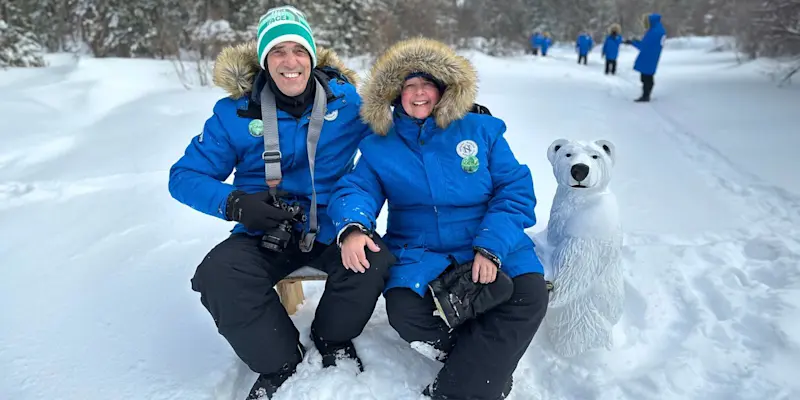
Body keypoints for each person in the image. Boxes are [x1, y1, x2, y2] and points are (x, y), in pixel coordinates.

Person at [168, 5, 394, 399]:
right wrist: (237, 203)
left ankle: (331, 336)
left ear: (311, 56)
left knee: (373, 261)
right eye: (277, 52)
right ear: (264, 61)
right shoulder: (234, 113)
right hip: (262, 227)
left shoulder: (348, 105)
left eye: (298, 51)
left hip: (328, 224)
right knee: (218, 275)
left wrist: (458, 117)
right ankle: (280, 359)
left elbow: (403, 130)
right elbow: (184, 177)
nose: (290, 61)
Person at [328, 37, 550, 400]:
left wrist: (491, 248)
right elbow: (357, 190)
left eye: (427, 84)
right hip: (420, 251)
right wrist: (353, 226)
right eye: (409, 85)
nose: (418, 94)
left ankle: (455, 388)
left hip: (491, 238)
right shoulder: (379, 142)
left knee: (529, 295)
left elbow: (515, 191)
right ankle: (486, 366)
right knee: (405, 313)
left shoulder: (481, 130)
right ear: (395, 94)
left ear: (444, 89)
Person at [624, 13, 666, 101]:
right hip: (653, 55)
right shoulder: (659, 30)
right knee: (648, 75)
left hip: (648, 56)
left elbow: (643, 46)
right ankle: (646, 94)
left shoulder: (653, 32)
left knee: (646, 77)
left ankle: (645, 95)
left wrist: (633, 42)